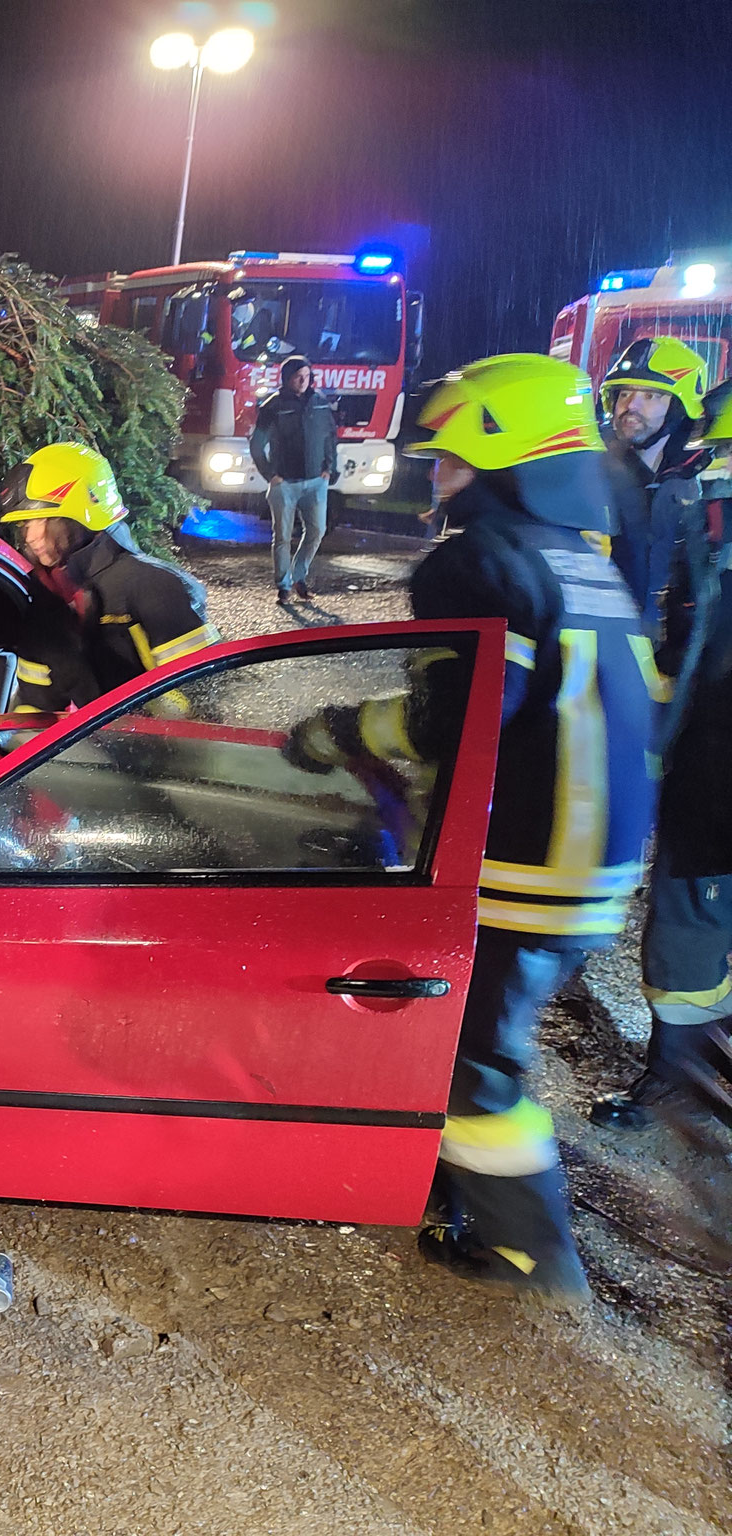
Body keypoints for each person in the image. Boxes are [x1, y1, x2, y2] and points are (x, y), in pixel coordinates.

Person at [380, 354, 652, 1304]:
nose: (437, 474)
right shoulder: (580, 556)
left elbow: (455, 719)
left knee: (473, 1067)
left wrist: (342, 734)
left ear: (508, 460)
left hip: (528, 864)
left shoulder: (478, 561)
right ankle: (456, 1193)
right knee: (478, 1041)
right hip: (593, 859)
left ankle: (528, 1252)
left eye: (453, 458)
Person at [592, 389, 732, 1129]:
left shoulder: (715, 542)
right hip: (706, 771)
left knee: (690, 931)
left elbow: (696, 657)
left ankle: (684, 1076)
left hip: (713, 785)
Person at [0, 442, 217, 713]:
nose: (30, 537)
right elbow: (35, 710)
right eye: (24, 525)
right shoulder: (46, 603)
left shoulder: (154, 587)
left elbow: (205, 700)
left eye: (42, 521)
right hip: (99, 739)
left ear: (80, 517)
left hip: (167, 739)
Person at [598, 336, 711, 630]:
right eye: (624, 393)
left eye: (651, 395)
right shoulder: (591, 465)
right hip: (609, 632)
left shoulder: (700, 475)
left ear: (679, 408)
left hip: (675, 641)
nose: (631, 406)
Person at [249, 356, 339, 603]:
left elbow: (330, 437)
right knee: (282, 537)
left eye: (307, 376)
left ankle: (299, 577)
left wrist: (329, 468)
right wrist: (270, 475)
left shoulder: (319, 402)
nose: (303, 381)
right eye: (298, 376)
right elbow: (257, 444)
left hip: (315, 482)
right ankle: (283, 586)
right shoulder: (273, 406)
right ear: (287, 378)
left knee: (317, 531)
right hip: (285, 484)